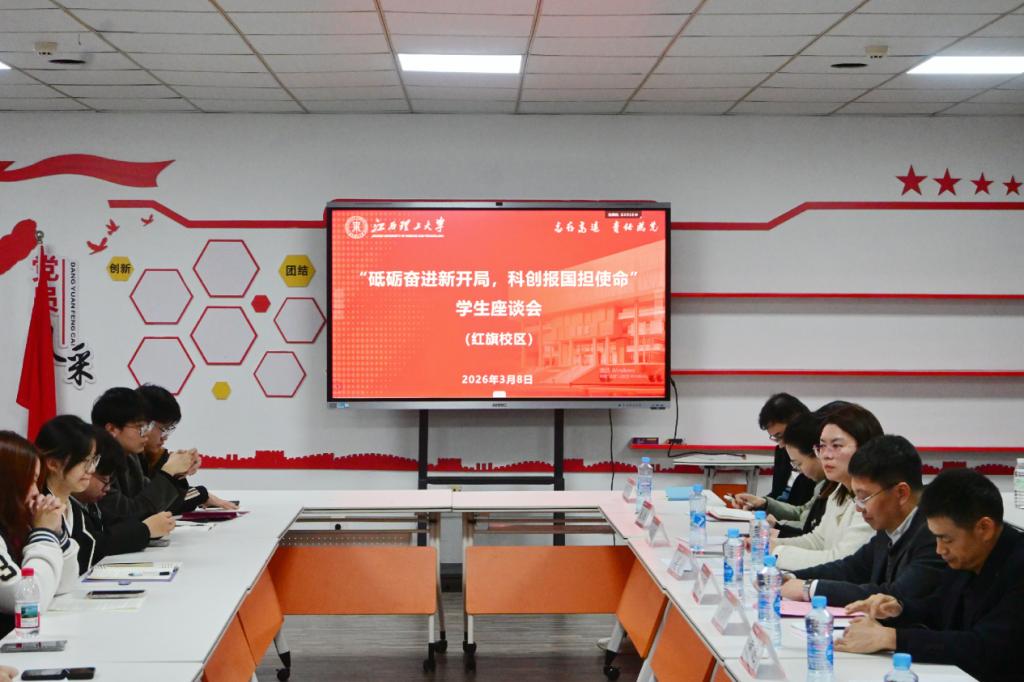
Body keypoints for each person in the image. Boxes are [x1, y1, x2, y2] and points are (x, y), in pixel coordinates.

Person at [838, 469, 1024, 682]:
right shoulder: (969, 555)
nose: (939, 550)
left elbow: (985, 648)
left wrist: (892, 638)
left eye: (946, 539)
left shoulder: (1018, 566)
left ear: (984, 528)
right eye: (936, 538)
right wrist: (897, 609)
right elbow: (938, 608)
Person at [780, 435, 947, 604]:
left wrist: (810, 589)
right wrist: (790, 577)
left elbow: (895, 597)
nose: (859, 508)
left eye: (864, 497)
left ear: (901, 493)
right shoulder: (888, 528)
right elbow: (851, 568)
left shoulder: (936, 535)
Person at [771, 403, 881, 571]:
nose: (826, 455)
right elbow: (818, 540)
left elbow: (842, 560)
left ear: (864, 448)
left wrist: (778, 553)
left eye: (836, 446)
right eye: (822, 446)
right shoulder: (838, 490)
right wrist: (771, 544)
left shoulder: (874, 499)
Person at [0, 431, 79, 638]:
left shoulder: (15, 522)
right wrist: (44, 533)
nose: (37, 492)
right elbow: (28, 603)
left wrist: (57, 533)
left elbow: (65, 584)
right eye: (30, 480)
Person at [67, 427, 175, 574]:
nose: (108, 488)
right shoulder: (58, 503)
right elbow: (92, 545)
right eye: (140, 427)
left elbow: (120, 522)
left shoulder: (90, 501)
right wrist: (145, 530)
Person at [91, 387, 195, 524]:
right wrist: (168, 473)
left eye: (147, 427)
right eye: (140, 428)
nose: (146, 434)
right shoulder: (95, 463)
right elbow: (127, 515)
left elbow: (156, 503)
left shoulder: (131, 457)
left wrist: (176, 474)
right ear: (112, 429)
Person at [137, 384, 236, 512]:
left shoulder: (152, 455)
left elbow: (166, 498)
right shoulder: (124, 458)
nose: (165, 437)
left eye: (169, 430)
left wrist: (179, 472)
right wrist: (201, 494)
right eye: (163, 429)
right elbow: (150, 506)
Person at [737, 411, 830, 538]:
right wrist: (763, 503)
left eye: (798, 463)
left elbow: (812, 532)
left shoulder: (834, 486)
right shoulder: (823, 484)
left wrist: (779, 527)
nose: (799, 470)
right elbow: (802, 513)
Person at [758, 393, 815, 506]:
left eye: (781, 435)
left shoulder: (817, 455)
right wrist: (758, 503)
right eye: (775, 438)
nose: (781, 444)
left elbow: (805, 510)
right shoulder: (782, 452)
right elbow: (776, 494)